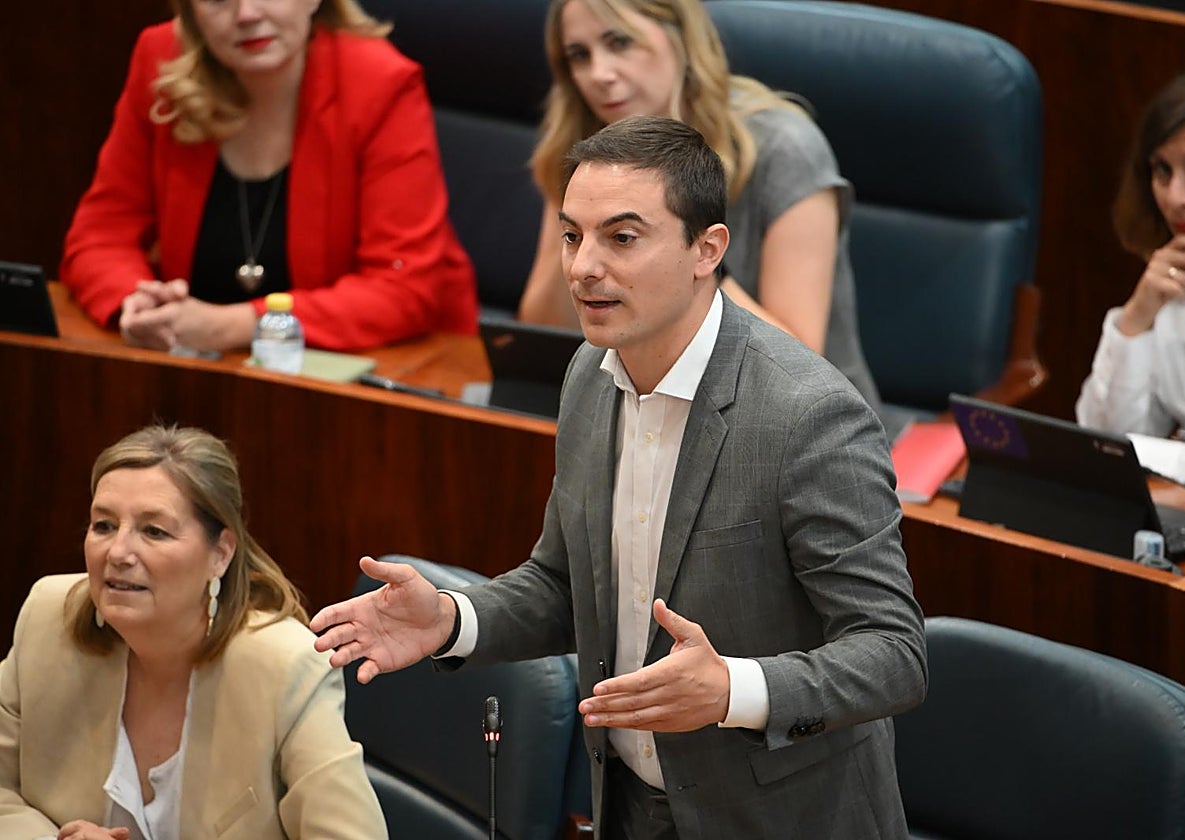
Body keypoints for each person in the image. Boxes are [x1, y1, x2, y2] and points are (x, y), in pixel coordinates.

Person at [313, 116, 927, 838]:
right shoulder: (588, 377)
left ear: (707, 250)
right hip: (631, 806)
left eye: (621, 238)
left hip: (782, 816)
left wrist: (733, 688)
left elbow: (894, 653)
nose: (582, 267)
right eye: (573, 236)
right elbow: (566, 585)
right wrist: (454, 618)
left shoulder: (808, 415)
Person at [0, 425, 385, 838]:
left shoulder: (286, 667)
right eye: (104, 525)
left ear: (219, 554)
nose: (118, 553)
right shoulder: (46, 616)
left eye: (154, 531)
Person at [515, 0, 882, 415]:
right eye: (579, 55)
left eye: (619, 42)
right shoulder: (588, 153)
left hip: (804, 424)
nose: (599, 74)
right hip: (650, 409)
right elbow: (544, 327)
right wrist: (585, 228)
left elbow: (799, 360)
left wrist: (686, 260)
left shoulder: (786, 148)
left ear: (680, 35)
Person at [60, 0, 477, 354]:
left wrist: (233, 326)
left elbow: (404, 289)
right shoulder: (162, 59)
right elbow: (100, 234)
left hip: (378, 373)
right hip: (203, 368)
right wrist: (138, 303)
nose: (245, 14)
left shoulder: (379, 83)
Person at [1077, 64, 1185, 490]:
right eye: (1162, 170)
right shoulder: (1176, 279)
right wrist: (1137, 317)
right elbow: (1103, 446)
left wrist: (1176, 468)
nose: (1175, 197)